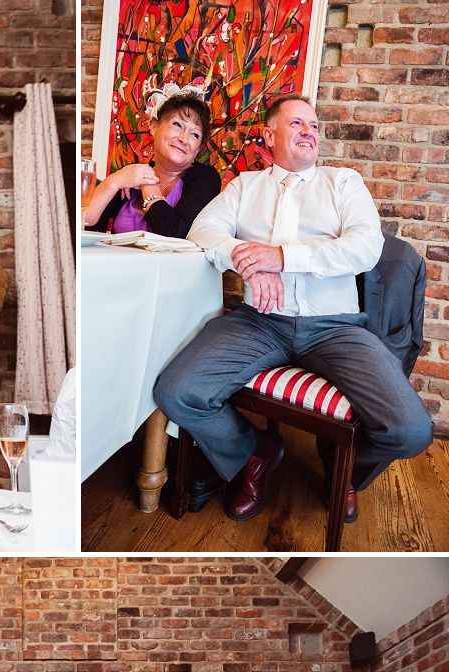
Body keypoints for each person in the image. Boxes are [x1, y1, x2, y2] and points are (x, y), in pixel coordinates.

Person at [155, 95, 432, 523]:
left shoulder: (343, 183)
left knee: (411, 430)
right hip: (259, 323)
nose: (309, 132)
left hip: (336, 328)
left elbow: (365, 248)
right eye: (298, 123)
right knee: (176, 392)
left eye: (314, 126)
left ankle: (342, 469)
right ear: (269, 136)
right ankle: (255, 453)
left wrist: (282, 258)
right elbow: (202, 231)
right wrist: (248, 258)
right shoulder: (244, 186)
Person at [83, 89, 220, 239]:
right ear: (154, 126)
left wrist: (148, 185)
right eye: (178, 124)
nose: (184, 139)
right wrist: (114, 181)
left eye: (195, 135)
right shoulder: (131, 174)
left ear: (197, 149)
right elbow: (85, 223)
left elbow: (175, 232)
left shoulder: (206, 178)